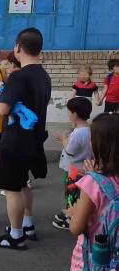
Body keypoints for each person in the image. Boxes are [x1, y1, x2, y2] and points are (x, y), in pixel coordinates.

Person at [0, 27, 51, 250]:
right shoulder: (43, 76)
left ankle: (16, 235)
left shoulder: (19, 76)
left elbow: (4, 109)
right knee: (24, 183)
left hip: (16, 140)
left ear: (18, 47)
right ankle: (27, 224)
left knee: (12, 188)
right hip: (35, 139)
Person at [68, 112, 119, 270]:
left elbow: (76, 227)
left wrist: (73, 212)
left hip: (96, 259)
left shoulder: (93, 183)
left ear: (100, 144)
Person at [52, 97, 93, 230]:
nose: (68, 115)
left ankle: (72, 219)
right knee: (77, 193)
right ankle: (70, 214)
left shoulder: (78, 134)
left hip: (76, 169)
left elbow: (69, 151)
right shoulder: (89, 129)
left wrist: (63, 139)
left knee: (73, 194)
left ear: (74, 114)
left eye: (69, 112)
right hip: (85, 168)